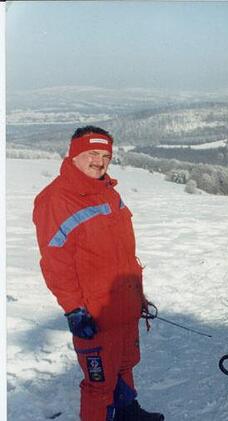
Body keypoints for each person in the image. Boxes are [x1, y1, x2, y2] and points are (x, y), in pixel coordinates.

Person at [33, 126, 163, 421]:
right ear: (75, 154)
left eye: (105, 155)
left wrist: (136, 296)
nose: (100, 161)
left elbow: (122, 254)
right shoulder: (56, 200)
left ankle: (128, 412)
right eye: (92, 153)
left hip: (123, 304)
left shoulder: (108, 192)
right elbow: (55, 264)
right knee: (99, 383)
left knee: (125, 364)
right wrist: (74, 310)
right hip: (95, 312)